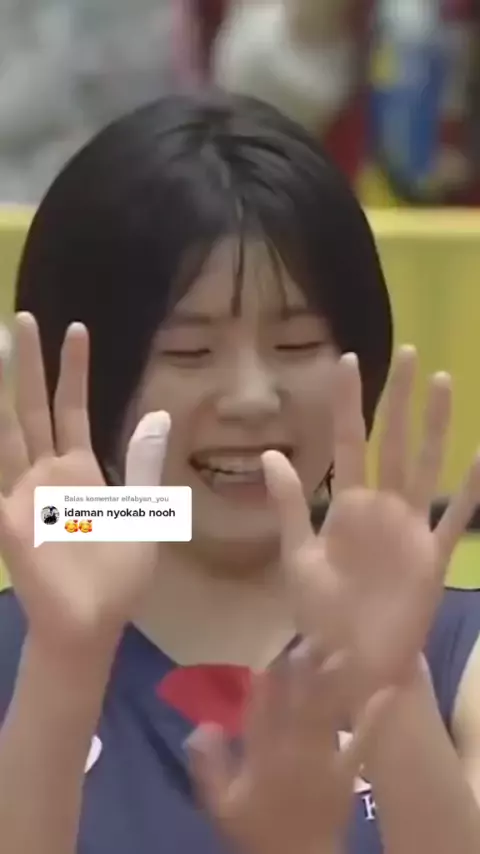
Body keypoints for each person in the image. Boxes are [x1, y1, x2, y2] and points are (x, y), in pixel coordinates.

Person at [0, 90, 480, 854]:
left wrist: (391, 689)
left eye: (297, 345)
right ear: (87, 374)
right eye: (190, 352)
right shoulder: (32, 649)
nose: (254, 398)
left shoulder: (459, 653)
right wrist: (65, 662)